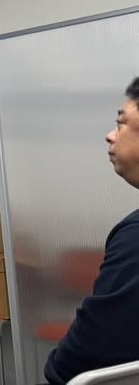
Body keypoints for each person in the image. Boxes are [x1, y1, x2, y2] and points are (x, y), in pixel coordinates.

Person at [43, 77, 139, 383]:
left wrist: (56, 368)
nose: (110, 135)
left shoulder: (135, 236)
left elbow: (88, 354)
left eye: (121, 124)